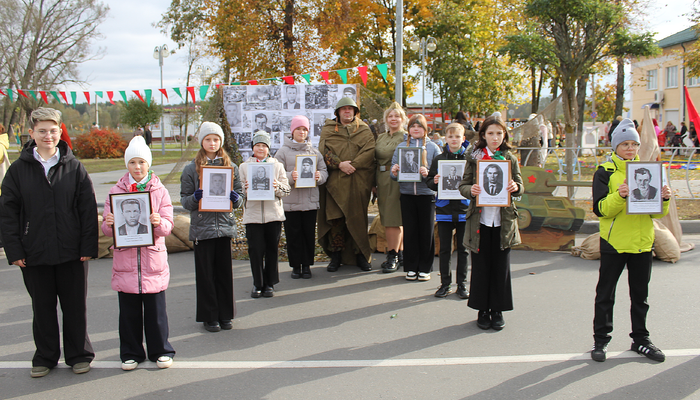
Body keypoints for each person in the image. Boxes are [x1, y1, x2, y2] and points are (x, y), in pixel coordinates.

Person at [0, 107, 98, 378]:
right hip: (34, 253)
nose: (48, 135)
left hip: (72, 252)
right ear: (31, 133)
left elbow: (87, 209)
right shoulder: (19, 170)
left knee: (75, 307)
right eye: (42, 131)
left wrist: (88, 246)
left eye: (53, 130)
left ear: (60, 131)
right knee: (42, 308)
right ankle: (45, 356)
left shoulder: (74, 166)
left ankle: (79, 355)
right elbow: (7, 213)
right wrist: (14, 250)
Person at [590, 118, 671, 362]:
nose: (630, 149)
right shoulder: (605, 172)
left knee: (640, 296)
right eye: (624, 144)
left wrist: (664, 199)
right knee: (606, 294)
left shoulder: (648, 171)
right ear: (615, 146)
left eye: (633, 144)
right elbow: (601, 209)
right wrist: (619, 195)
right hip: (614, 242)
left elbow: (656, 213)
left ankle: (641, 339)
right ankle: (601, 340)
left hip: (643, 242)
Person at [101, 136, 176, 371]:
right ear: (127, 165)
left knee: (156, 313)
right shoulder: (115, 191)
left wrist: (158, 221)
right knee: (129, 314)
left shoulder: (160, 190)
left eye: (141, 162)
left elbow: (168, 226)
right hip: (126, 264)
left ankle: (161, 350)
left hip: (153, 262)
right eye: (132, 162)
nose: (137, 167)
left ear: (148, 164)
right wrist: (109, 223)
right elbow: (105, 228)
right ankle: (131, 352)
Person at [458, 115, 523, 331]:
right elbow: (463, 185)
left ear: (504, 135)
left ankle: (498, 310)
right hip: (480, 221)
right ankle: (482, 310)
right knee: (481, 266)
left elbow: (521, 187)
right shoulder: (474, 157)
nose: (495, 137)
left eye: (499, 133)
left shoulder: (510, 158)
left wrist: (515, 187)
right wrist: (471, 190)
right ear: (483, 136)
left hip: (503, 222)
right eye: (490, 133)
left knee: (501, 267)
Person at [180, 121, 244, 333]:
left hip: (224, 227)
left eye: (216, 139)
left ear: (220, 142)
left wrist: (236, 199)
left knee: (224, 274)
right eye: (208, 139)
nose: (212, 142)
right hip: (202, 229)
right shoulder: (191, 169)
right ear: (202, 142)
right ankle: (209, 317)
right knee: (206, 275)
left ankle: (225, 315)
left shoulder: (231, 167)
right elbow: (184, 200)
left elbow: (240, 197)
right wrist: (194, 198)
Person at [318, 97, 376, 272]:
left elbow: (369, 151)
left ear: (355, 112)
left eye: (350, 109)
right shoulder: (328, 130)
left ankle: (361, 256)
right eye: (343, 109)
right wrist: (339, 164)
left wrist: (354, 165)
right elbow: (323, 151)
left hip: (358, 183)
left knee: (357, 219)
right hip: (335, 184)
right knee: (336, 220)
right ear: (337, 112)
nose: (347, 112)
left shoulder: (364, 130)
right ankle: (335, 257)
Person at [274, 115, 328, 279]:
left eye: (304, 129)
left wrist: (319, 177)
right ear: (292, 131)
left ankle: (307, 265)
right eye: (298, 128)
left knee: (308, 235)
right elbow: (275, 175)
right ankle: (295, 266)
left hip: (310, 202)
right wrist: (291, 176)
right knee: (293, 235)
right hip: (290, 203)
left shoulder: (314, 152)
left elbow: (324, 171)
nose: (302, 132)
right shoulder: (283, 152)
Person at [390, 114, 442, 281]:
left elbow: (440, 173)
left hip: (426, 196)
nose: (416, 129)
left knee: (426, 232)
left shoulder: (433, 147)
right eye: (413, 126)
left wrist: (429, 174)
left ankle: (425, 268)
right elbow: (393, 172)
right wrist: (394, 171)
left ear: (425, 129)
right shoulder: (400, 148)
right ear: (409, 129)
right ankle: (411, 267)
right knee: (410, 231)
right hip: (407, 195)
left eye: (419, 126)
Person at [240, 131, 291, 297]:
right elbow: (238, 192)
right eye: (257, 145)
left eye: (264, 145)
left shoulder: (277, 166)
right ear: (252, 148)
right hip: (252, 216)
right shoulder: (244, 167)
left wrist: (276, 187)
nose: (260, 148)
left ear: (268, 148)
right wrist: (245, 190)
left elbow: (287, 189)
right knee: (255, 250)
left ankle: (270, 283)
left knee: (271, 250)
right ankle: (257, 283)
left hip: (273, 215)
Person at [427, 123, 470, 298]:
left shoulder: (469, 159)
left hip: (463, 209)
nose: (454, 140)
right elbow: (429, 181)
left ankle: (462, 284)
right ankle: (445, 284)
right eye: (450, 136)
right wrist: (435, 181)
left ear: (463, 139)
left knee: (463, 249)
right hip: (444, 209)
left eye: (457, 137)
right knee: (444, 249)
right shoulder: (439, 159)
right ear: (446, 138)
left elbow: (474, 182)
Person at [374, 101, 406, 273]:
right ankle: (400, 253)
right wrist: (373, 183)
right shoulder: (381, 137)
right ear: (386, 119)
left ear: (403, 119)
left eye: (397, 116)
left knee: (393, 219)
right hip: (381, 179)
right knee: (388, 216)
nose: (394, 119)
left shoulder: (406, 137)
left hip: (397, 179)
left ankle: (392, 255)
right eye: (390, 116)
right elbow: (374, 160)